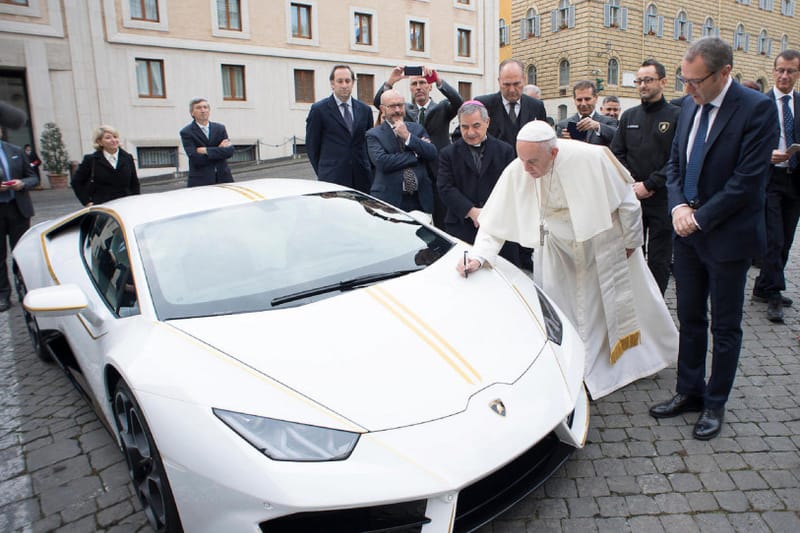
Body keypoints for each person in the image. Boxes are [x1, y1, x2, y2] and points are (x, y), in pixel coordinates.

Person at [458, 121, 678, 400]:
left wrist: (631, 242)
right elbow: (494, 220)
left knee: (607, 308)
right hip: (557, 249)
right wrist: (479, 256)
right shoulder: (521, 167)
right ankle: (574, 366)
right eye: (522, 160)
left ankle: (632, 363)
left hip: (600, 243)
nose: (526, 169)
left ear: (553, 153)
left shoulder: (592, 158)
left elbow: (628, 202)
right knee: (562, 310)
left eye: (533, 162)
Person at [650, 37, 777, 440]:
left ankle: (714, 402)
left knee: (725, 327)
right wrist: (677, 209)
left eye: (695, 81)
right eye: (684, 80)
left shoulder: (757, 109)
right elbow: (673, 166)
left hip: (727, 238)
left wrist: (698, 217)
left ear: (724, 73)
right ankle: (688, 390)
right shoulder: (688, 105)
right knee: (689, 318)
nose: (686, 89)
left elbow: (747, 182)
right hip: (687, 233)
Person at [610, 60, 680, 294]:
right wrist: (633, 183)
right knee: (631, 252)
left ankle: (656, 303)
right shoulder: (629, 116)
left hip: (662, 199)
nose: (642, 85)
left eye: (648, 80)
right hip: (632, 198)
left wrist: (650, 184)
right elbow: (617, 153)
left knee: (659, 259)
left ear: (663, 82)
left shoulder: (677, 116)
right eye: (639, 81)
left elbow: (677, 159)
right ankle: (634, 299)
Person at [374, 65, 463, 226]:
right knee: (418, 220)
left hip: (438, 170)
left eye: (422, 83)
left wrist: (438, 80)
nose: (419, 87)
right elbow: (379, 103)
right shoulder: (403, 109)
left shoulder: (442, 108)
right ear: (410, 88)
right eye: (414, 84)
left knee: (442, 217)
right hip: (414, 171)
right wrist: (391, 81)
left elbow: (459, 102)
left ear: (429, 86)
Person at [437, 101, 520, 266]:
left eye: (476, 126)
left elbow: (511, 188)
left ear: (487, 122)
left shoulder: (505, 151)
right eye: (464, 127)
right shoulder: (448, 153)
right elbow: (445, 187)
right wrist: (472, 211)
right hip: (461, 227)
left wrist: (490, 213)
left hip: (499, 226)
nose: (470, 132)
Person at [752, 49, 800, 323]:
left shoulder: (799, 103)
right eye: (780, 70)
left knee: (787, 241)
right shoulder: (760, 103)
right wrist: (765, 155)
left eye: (790, 71)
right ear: (773, 71)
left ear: (797, 73)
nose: (784, 75)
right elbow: (746, 143)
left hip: (794, 180)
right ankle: (773, 293)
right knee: (774, 238)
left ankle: (762, 286)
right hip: (768, 179)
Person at [306, 65, 373, 194]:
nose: (344, 85)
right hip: (332, 179)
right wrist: (324, 172)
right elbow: (312, 146)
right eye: (340, 81)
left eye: (347, 81)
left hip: (361, 179)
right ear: (332, 84)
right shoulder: (319, 110)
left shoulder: (365, 110)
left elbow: (368, 144)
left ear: (353, 83)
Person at [366, 89, 437, 213]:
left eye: (400, 105)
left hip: (420, 199)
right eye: (392, 106)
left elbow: (432, 153)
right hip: (389, 200)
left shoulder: (417, 129)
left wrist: (408, 137)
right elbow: (383, 163)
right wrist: (415, 154)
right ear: (383, 109)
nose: (398, 110)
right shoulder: (373, 134)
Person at [0, 129, 39, 311]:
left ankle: (25, 291)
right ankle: (3, 295)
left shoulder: (15, 151)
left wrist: (22, 184)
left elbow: (33, 177)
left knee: (22, 253)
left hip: (18, 209)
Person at [475, 59, 547, 152]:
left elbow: (545, 137)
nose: (512, 90)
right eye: (507, 85)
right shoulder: (483, 105)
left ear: (524, 80)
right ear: (499, 81)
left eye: (516, 84)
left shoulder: (536, 106)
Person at [71, 125, 140, 206]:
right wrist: (86, 202)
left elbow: (134, 183)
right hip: (103, 208)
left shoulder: (128, 158)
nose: (113, 140)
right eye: (108, 138)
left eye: (115, 137)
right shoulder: (91, 160)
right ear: (99, 142)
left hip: (126, 205)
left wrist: (135, 201)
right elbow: (76, 182)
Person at [179, 97, 234, 187]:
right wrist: (219, 150)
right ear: (192, 113)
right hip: (201, 181)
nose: (203, 110)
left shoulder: (220, 128)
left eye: (205, 107)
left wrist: (206, 151)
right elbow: (196, 159)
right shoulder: (187, 132)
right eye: (198, 108)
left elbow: (229, 152)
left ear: (209, 110)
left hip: (224, 178)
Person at [556, 80, 618, 146]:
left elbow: (617, 137)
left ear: (596, 98)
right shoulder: (563, 125)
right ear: (574, 100)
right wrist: (563, 141)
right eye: (579, 100)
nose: (583, 104)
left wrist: (597, 126)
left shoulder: (608, 122)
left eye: (587, 99)